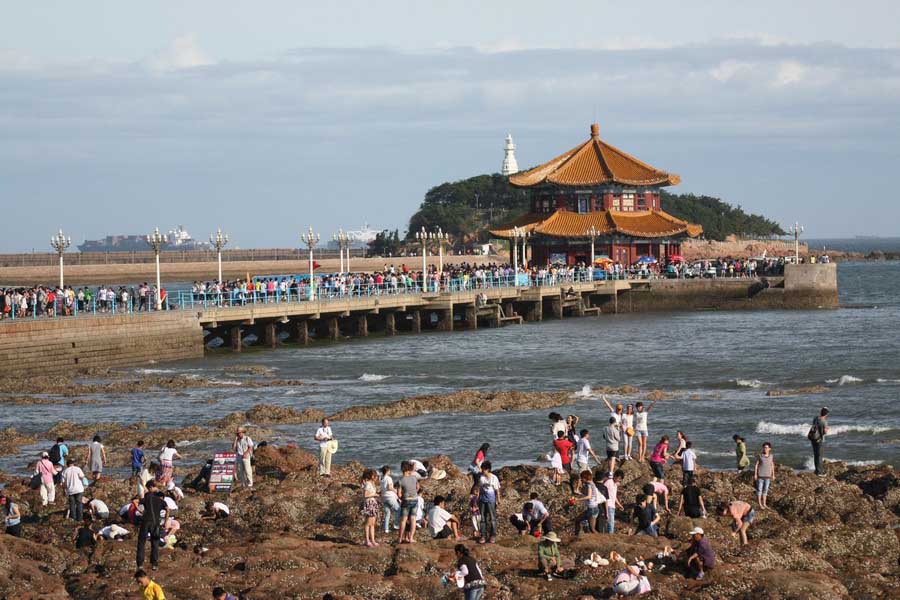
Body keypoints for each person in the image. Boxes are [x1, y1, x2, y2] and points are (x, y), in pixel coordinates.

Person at [136, 480, 167, 571]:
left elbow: (135, 501)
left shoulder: (146, 498)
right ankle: (154, 564)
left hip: (146, 522)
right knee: (155, 543)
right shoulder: (159, 500)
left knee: (141, 543)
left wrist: (140, 511)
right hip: (155, 523)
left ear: (149, 488)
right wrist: (165, 521)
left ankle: (140, 564)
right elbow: (167, 509)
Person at [573, 470, 604, 536]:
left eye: (582, 478)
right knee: (577, 520)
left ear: (585, 478)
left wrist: (578, 499)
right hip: (592, 509)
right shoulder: (592, 483)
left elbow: (589, 496)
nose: (581, 479)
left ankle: (601, 539)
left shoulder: (589, 485)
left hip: (592, 509)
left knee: (592, 529)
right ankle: (576, 536)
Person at [477, 461, 501, 544]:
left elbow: (497, 490)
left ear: (488, 469)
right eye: (482, 469)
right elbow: (479, 489)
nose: (483, 470)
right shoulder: (481, 477)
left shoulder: (494, 478)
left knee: (492, 518)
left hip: (491, 500)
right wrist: (477, 499)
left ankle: (492, 535)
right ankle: (483, 536)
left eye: (484, 469)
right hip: (482, 499)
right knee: (482, 518)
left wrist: (498, 500)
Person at [397, 461, 419, 543]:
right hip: (415, 499)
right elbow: (417, 487)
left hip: (406, 500)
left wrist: (402, 497)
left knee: (403, 520)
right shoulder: (414, 478)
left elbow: (399, 494)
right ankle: (411, 538)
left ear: (402, 469)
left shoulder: (401, 480)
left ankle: (399, 539)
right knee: (413, 519)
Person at [360, 468, 380, 547]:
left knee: (372, 523)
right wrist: (375, 495)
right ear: (372, 476)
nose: (376, 477)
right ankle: (367, 540)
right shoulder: (368, 483)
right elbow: (365, 495)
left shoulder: (372, 484)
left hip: (373, 503)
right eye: (375, 476)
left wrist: (377, 494)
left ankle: (373, 540)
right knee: (368, 523)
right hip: (369, 503)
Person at [754, 442, 776, 509]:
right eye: (764, 447)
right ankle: (760, 504)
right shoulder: (760, 456)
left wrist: (773, 474)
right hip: (760, 476)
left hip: (768, 476)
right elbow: (756, 465)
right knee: (759, 490)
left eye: (766, 447)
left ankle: (764, 504)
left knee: (765, 490)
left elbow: (772, 465)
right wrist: (755, 474)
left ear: (769, 449)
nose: (765, 449)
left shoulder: (771, 456)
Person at [808, 407, 829, 476]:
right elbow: (825, 432)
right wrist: (827, 428)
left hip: (813, 438)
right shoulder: (824, 421)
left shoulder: (816, 418)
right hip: (820, 440)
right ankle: (819, 472)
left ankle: (816, 470)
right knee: (819, 456)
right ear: (826, 414)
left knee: (816, 455)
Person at [380, 465, 400, 534]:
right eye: (389, 470)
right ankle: (396, 524)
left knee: (387, 513)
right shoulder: (388, 478)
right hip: (390, 497)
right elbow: (389, 487)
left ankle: (386, 529)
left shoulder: (381, 479)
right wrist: (395, 490)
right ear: (387, 471)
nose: (390, 472)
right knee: (398, 510)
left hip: (384, 497)